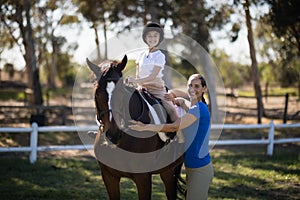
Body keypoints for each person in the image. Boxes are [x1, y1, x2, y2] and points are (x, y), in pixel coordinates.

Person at [129, 74, 214, 200]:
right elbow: (183, 103)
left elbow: (174, 127)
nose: (192, 89)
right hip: (191, 168)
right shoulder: (193, 107)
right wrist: (174, 98)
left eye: (197, 86)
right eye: (190, 85)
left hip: (200, 169)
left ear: (204, 89)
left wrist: (146, 127)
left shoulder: (199, 109)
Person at [127, 22, 178, 122]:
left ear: (160, 38)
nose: (152, 38)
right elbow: (138, 74)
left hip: (156, 90)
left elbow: (152, 76)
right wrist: (132, 81)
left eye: (155, 36)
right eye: (149, 36)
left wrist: (136, 80)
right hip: (142, 89)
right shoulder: (141, 55)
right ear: (145, 38)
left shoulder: (160, 55)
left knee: (171, 110)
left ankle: (179, 136)